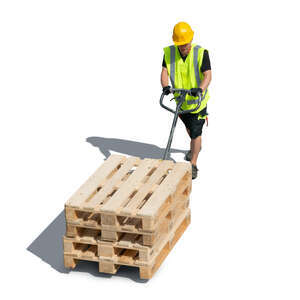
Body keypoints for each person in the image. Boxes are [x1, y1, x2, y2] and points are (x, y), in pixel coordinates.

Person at [161, 22, 212, 179]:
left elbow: (208, 74)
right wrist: (165, 86)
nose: (184, 47)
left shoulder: (201, 53)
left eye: (186, 43)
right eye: (180, 44)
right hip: (180, 103)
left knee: (196, 132)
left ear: (191, 39)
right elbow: (164, 71)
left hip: (197, 103)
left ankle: (193, 163)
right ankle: (195, 146)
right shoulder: (169, 53)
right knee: (191, 131)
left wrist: (200, 89)